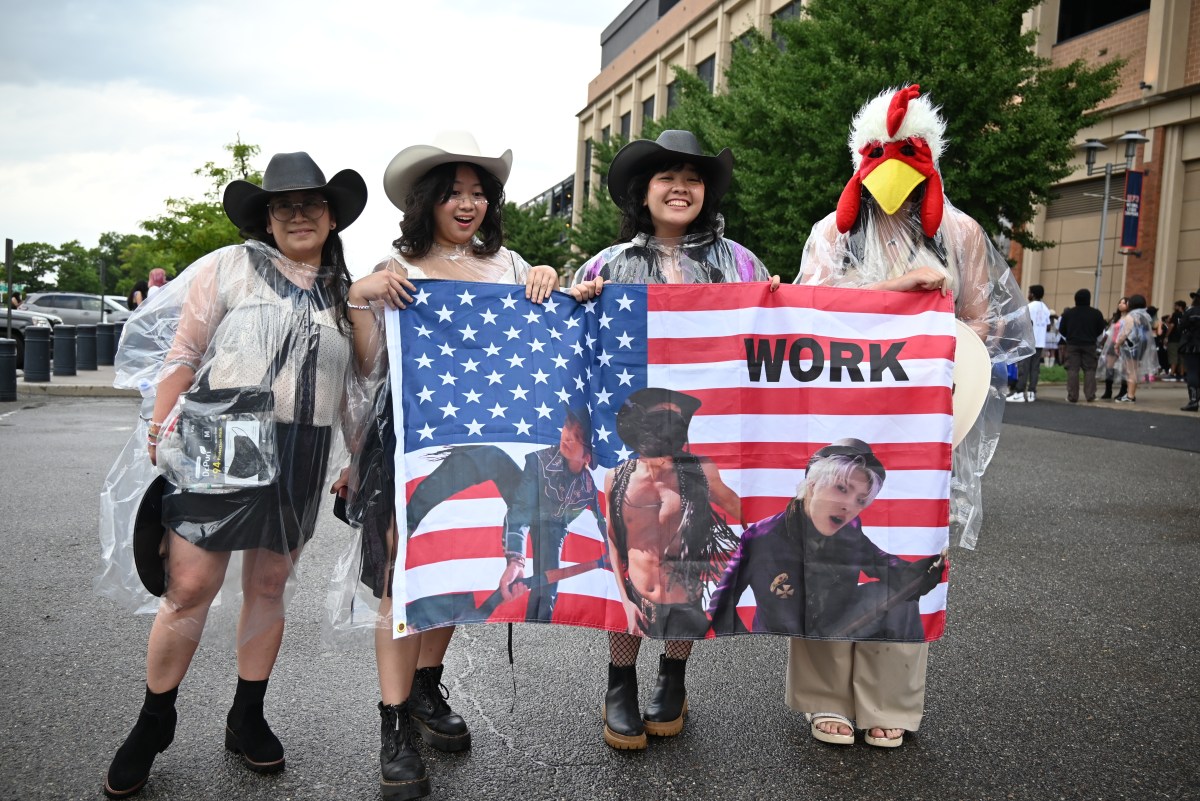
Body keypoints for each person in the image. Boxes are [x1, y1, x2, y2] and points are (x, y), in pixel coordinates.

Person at [102, 152, 373, 798]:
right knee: (191, 581)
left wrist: (358, 458)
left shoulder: (344, 292)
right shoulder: (231, 267)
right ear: (268, 218)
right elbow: (185, 351)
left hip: (303, 447)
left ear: (332, 216)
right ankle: (154, 719)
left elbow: (357, 387)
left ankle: (246, 714)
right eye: (285, 205)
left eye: (312, 203)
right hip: (224, 433)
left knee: (271, 580)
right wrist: (160, 420)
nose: (299, 213)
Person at [794, 85, 1032, 747]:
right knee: (829, 546)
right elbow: (806, 316)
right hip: (840, 417)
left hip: (922, 423)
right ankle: (825, 694)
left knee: (907, 552)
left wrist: (949, 365)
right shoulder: (831, 234)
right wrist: (890, 293)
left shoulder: (960, 234)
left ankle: (888, 701)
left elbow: (983, 324)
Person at [335, 131, 559, 801]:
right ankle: (394, 720)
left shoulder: (510, 266)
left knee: (455, 561)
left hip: (490, 438)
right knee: (401, 577)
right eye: (455, 192)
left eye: (479, 192)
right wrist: (360, 296)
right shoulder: (398, 267)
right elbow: (370, 366)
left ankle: (427, 687)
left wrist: (551, 282)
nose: (469, 204)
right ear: (427, 201)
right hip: (411, 443)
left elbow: (547, 338)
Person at [571, 129, 778, 751]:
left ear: (706, 192)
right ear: (644, 191)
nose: (680, 188)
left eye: (692, 178)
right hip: (625, 433)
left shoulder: (743, 264)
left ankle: (674, 677)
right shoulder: (605, 265)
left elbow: (772, 332)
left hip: (705, 428)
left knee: (688, 548)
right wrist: (572, 299)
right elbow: (575, 346)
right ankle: (620, 680)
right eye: (666, 177)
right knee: (634, 553)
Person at [708, 439, 944, 642]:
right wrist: (758, 653)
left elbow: (877, 561)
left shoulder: (850, 528)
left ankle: (891, 684)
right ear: (812, 483)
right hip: (788, 643)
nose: (849, 505)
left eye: (860, 500)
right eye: (842, 488)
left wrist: (916, 572)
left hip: (837, 629)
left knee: (899, 596)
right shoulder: (762, 538)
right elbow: (721, 605)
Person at [400, 405, 604, 627]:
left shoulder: (589, 488)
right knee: (490, 456)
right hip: (528, 503)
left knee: (546, 594)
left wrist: (622, 551)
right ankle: (410, 517)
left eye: (576, 436)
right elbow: (522, 510)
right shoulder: (540, 462)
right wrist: (516, 558)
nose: (567, 436)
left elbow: (606, 521)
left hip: (552, 531)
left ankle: (531, 633)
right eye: (567, 426)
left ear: (587, 456)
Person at [1057, 288, 1107, 403]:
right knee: (1090, 369)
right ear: (1089, 299)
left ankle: (1072, 396)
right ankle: (1090, 395)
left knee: (1072, 370)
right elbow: (1100, 330)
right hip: (1090, 345)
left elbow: (1062, 330)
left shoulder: (1068, 314)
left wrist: (1069, 337)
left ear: (1075, 299)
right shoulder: (1096, 313)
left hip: (1072, 345)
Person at [1007, 284, 1050, 403]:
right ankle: (1032, 393)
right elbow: (1048, 325)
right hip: (1040, 342)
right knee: (1035, 368)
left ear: (1033, 294)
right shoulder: (1045, 308)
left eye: (1029, 292)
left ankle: (1020, 392)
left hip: (1028, 341)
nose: (1028, 294)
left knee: (1023, 367)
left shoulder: (1029, 307)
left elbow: (1024, 322)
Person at [1114, 293, 1155, 403]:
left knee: (1130, 371)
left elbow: (1124, 333)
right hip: (1142, 346)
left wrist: (1117, 344)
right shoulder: (1146, 316)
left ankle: (1130, 396)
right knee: (1135, 371)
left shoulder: (1131, 316)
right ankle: (1131, 393)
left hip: (1131, 346)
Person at [1099, 301, 1127, 399]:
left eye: (1123, 303)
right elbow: (1109, 332)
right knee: (1109, 367)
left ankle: (1123, 391)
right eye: (1119, 303)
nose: (1120, 304)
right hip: (1113, 344)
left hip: (1125, 345)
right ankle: (1108, 391)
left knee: (1125, 368)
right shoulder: (1116, 318)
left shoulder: (1130, 318)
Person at [1179, 290, 1200, 411]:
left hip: (1192, 346)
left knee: (1192, 372)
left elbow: (1181, 327)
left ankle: (1193, 401)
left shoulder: (1190, 312)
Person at [1166, 300, 1185, 380]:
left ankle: (1172, 373)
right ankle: (1182, 374)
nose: (1174, 307)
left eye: (1175, 306)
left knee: (1173, 356)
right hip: (1183, 339)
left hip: (1174, 339)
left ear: (1179, 307)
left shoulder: (1175, 314)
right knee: (1181, 357)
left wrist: (1166, 336)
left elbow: (1172, 326)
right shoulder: (1186, 314)